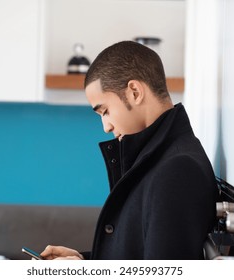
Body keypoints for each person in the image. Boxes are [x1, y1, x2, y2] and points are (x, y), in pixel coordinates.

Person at [40, 41, 219, 260]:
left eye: (105, 111)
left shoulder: (177, 170)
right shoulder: (160, 159)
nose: (106, 127)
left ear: (134, 92)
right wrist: (86, 262)